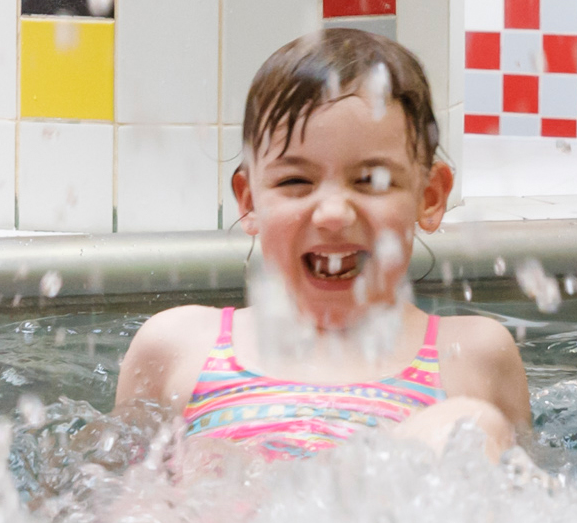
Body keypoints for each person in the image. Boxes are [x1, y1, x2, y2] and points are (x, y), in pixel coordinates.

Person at [111, 29, 529, 462]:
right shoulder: (178, 347)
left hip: (394, 503)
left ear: (430, 196)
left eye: (370, 181)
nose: (332, 213)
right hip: (221, 505)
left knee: (469, 426)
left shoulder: (471, 355)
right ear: (250, 202)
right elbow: (111, 493)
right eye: (295, 181)